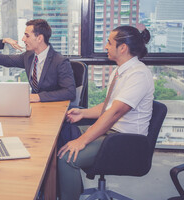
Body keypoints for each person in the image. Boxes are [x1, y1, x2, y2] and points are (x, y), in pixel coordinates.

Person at [57, 26, 154, 200]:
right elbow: (109, 106)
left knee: (66, 159)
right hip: (112, 134)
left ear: (123, 48)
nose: (105, 47)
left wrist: (82, 140)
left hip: (125, 141)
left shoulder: (138, 74)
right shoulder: (120, 72)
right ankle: (68, 191)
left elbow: (115, 113)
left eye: (109, 43)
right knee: (62, 137)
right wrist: (83, 113)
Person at [0, 19, 76, 103]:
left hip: (54, 108)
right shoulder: (29, 56)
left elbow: (69, 92)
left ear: (39, 38)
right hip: (36, 108)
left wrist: (38, 97)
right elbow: (8, 60)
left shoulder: (60, 61)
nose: (23, 39)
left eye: (27, 35)